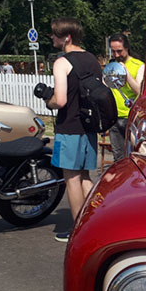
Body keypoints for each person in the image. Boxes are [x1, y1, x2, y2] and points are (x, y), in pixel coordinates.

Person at [42, 17, 101, 242]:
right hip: (89, 126)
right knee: (85, 176)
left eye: (55, 34)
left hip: (70, 127)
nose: (52, 37)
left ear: (67, 37)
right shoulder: (92, 60)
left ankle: (78, 232)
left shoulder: (62, 62)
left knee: (72, 179)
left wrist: (48, 100)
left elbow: (61, 100)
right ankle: (95, 222)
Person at [107, 33, 145, 162]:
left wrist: (126, 74)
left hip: (131, 117)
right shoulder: (112, 66)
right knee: (118, 158)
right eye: (113, 51)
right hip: (114, 117)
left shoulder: (138, 65)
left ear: (127, 48)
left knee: (135, 156)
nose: (116, 55)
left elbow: (139, 91)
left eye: (119, 51)